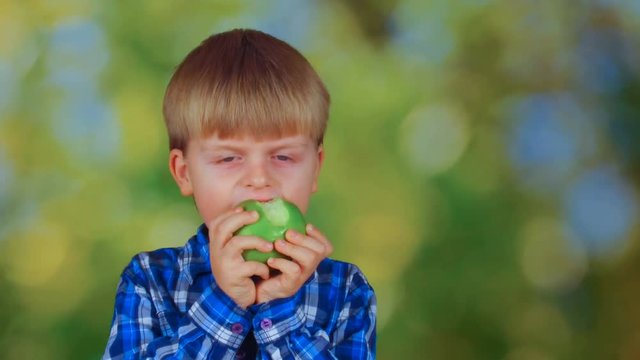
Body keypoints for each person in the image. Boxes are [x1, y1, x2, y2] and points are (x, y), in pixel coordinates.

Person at [102, 28, 377, 359]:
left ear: (315, 169)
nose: (260, 179)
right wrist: (225, 302)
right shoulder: (150, 281)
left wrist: (279, 309)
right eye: (229, 158)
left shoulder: (346, 289)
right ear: (185, 172)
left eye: (284, 156)